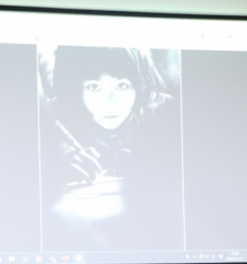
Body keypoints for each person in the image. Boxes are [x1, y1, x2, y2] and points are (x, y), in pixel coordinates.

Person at [39, 46, 184, 252]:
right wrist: (59, 157)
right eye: (94, 87)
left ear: (140, 85)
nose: (109, 102)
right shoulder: (55, 115)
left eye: (122, 86)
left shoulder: (165, 113)